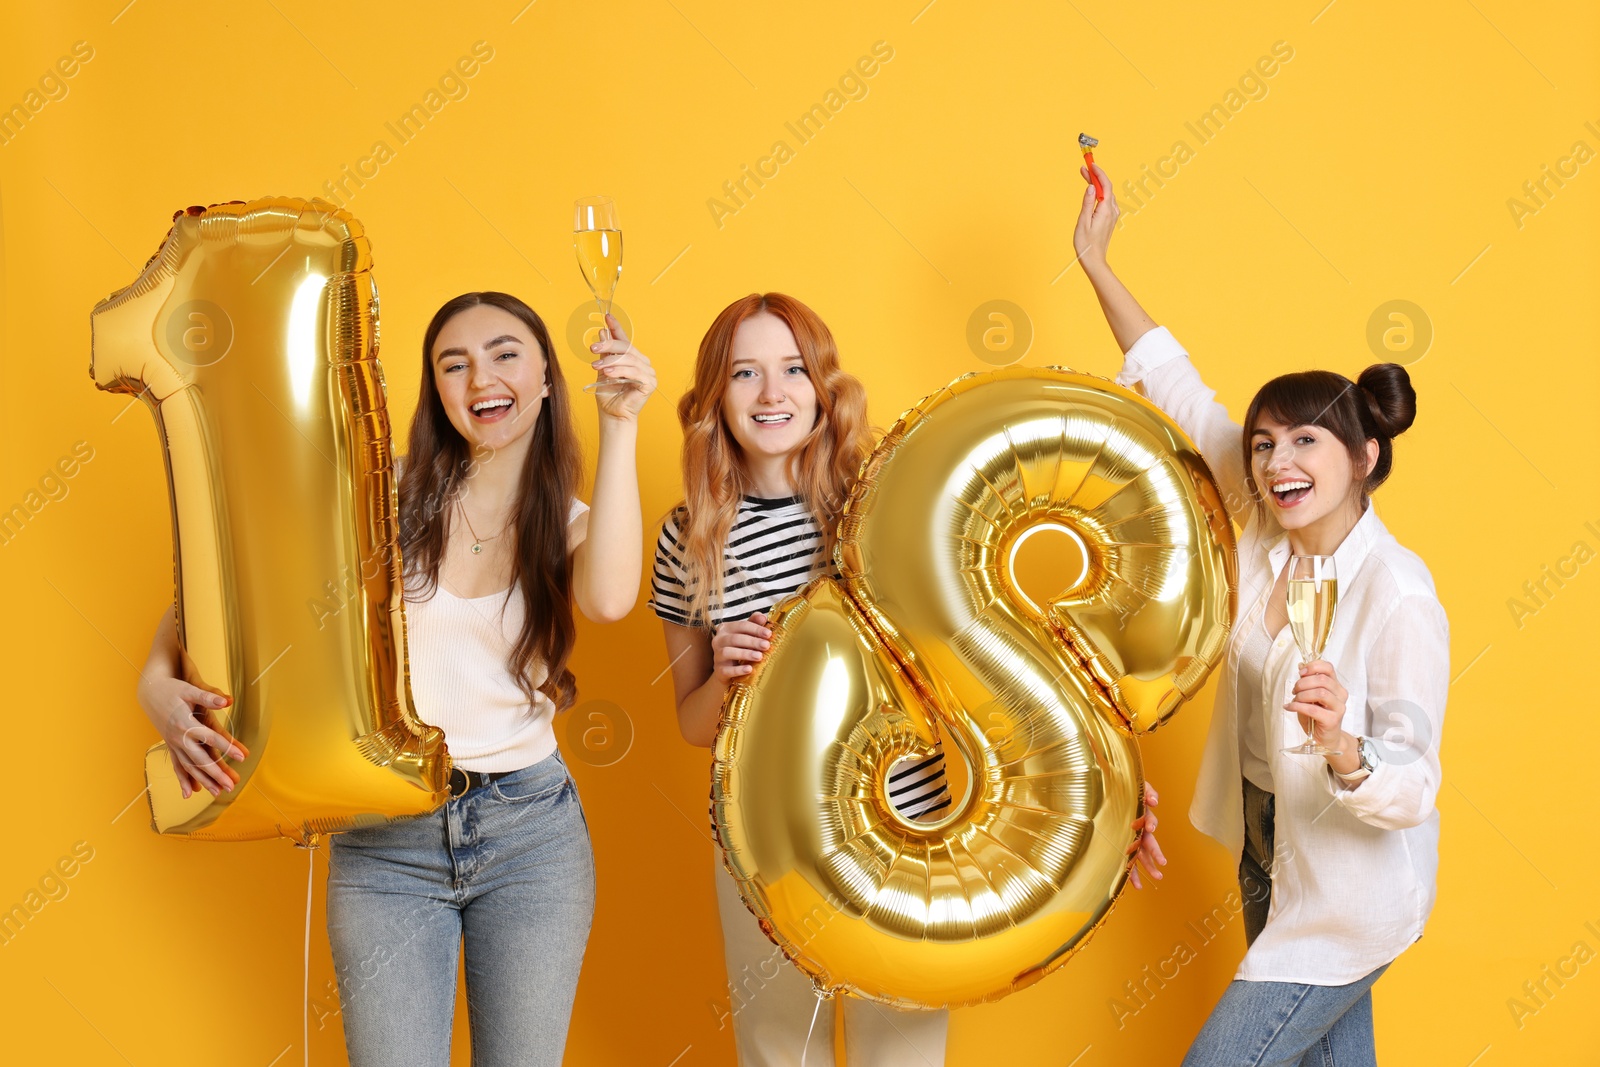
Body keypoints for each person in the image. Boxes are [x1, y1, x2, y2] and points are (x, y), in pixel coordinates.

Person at [133, 292, 656, 1066]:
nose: (481, 374)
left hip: (531, 835)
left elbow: (611, 597)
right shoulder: (380, 493)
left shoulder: (572, 519)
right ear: (438, 391)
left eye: (505, 352)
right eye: (455, 362)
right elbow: (233, 569)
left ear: (547, 376)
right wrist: (154, 681)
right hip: (385, 841)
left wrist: (622, 423)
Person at [1072, 161, 1449, 1066]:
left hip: (1354, 889)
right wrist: (1095, 259)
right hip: (1266, 848)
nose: (1277, 457)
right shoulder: (1256, 513)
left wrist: (1345, 743)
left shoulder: (1396, 591)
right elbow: (1171, 379)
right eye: (1265, 441)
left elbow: (1414, 776)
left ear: (1363, 456)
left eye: (1305, 439)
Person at [651, 292, 955, 1066]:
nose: (772, 393)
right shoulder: (688, 533)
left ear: (823, 385)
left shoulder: (879, 499)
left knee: (905, 1048)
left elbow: (958, 667)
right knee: (782, 1050)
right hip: (763, 839)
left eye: (792, 369)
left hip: (905, 823)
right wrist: (726, 676)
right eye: (745, 373)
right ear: (715, 396)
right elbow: (692, 723)